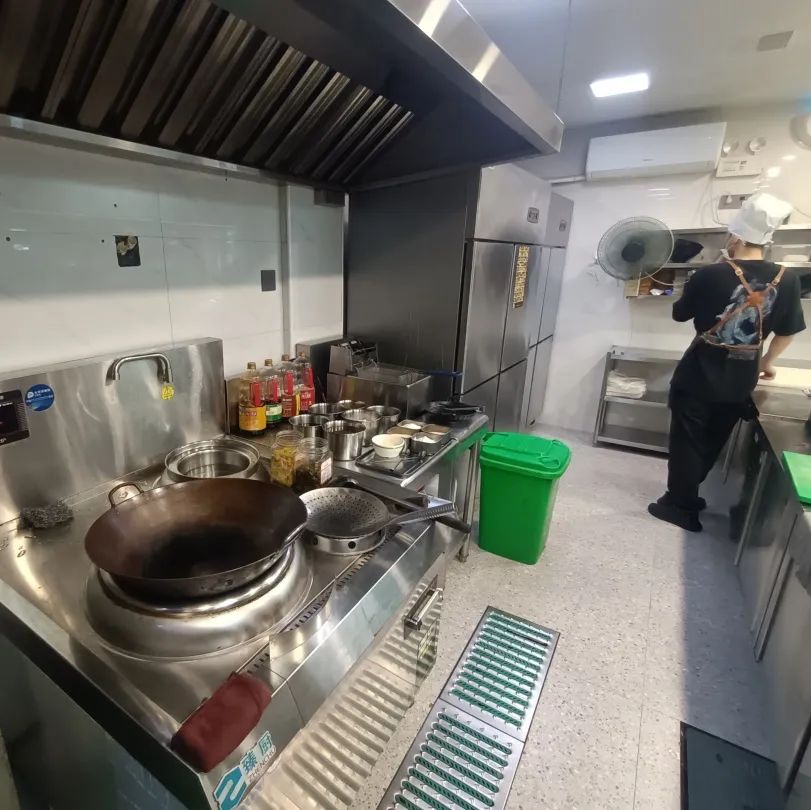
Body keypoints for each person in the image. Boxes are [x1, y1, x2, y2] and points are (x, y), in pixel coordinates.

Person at [648, 193, 806, 532]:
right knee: (712, 440)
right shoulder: (788, 278)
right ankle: (687, 493)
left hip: (698, 375)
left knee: (687, 441)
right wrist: (765, 362)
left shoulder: (709, 275)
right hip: (741, 379)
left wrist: (698, 286)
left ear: (735, 236)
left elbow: (679, 314)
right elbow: (787, 332)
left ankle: (680, 506)